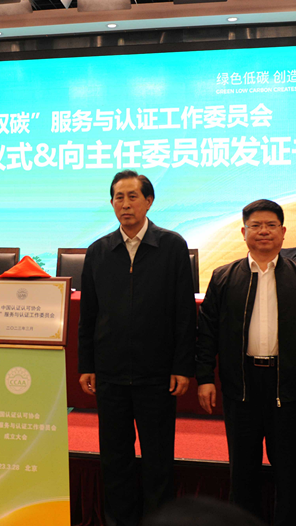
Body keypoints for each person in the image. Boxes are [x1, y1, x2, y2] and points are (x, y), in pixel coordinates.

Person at [196, 199, 296, 526]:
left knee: (290, 472)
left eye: (271, 225)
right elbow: (206, 332)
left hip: (289, 387)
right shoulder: (223, 277)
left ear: (283, 232)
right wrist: (204, 378)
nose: (263, 231)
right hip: (241, 387)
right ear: (243, 232)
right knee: (242, 473)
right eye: (255, 225)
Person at [78, 170, 197, 526]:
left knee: (158, 459)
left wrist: (182, 366)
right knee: (115, 459)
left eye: (133, 196)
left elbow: (184, 312)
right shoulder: (99, 251)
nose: (125, 204)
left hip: (156, 374)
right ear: (111, 203)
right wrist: (87, 364)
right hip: (110, 374)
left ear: (149, 201)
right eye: (119, 197)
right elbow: (89, 315)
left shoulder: (172, 246)